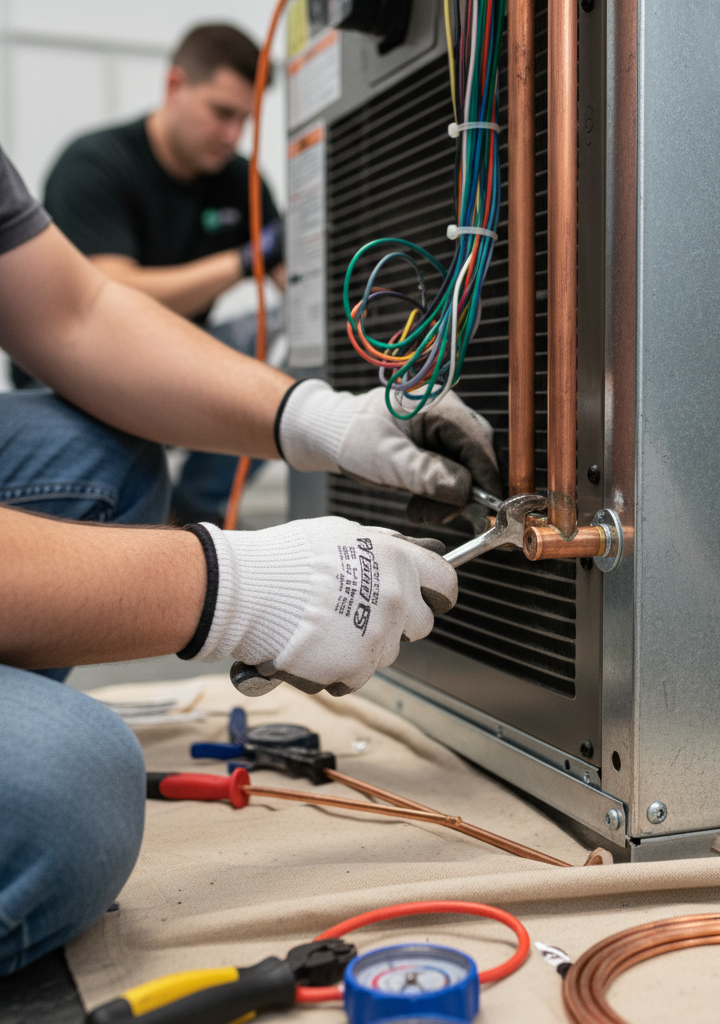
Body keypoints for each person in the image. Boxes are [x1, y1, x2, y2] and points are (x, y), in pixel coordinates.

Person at [0, 143, 501, 976]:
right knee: (67, 800)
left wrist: (321, 421)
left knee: (90, 456)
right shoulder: (103, 165)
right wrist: (231, 588)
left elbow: (73, 313)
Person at [23, 23, 290, 525]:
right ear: (175, 87)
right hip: (76, 369)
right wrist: (241, 261)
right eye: (222, 113)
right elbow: (108, 297)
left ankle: (196, 514)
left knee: (285, 334)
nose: (233, 135)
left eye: (246, 120)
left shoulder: (240, 180)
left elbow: (291, 283)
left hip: (174, 356)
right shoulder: (94, 165)